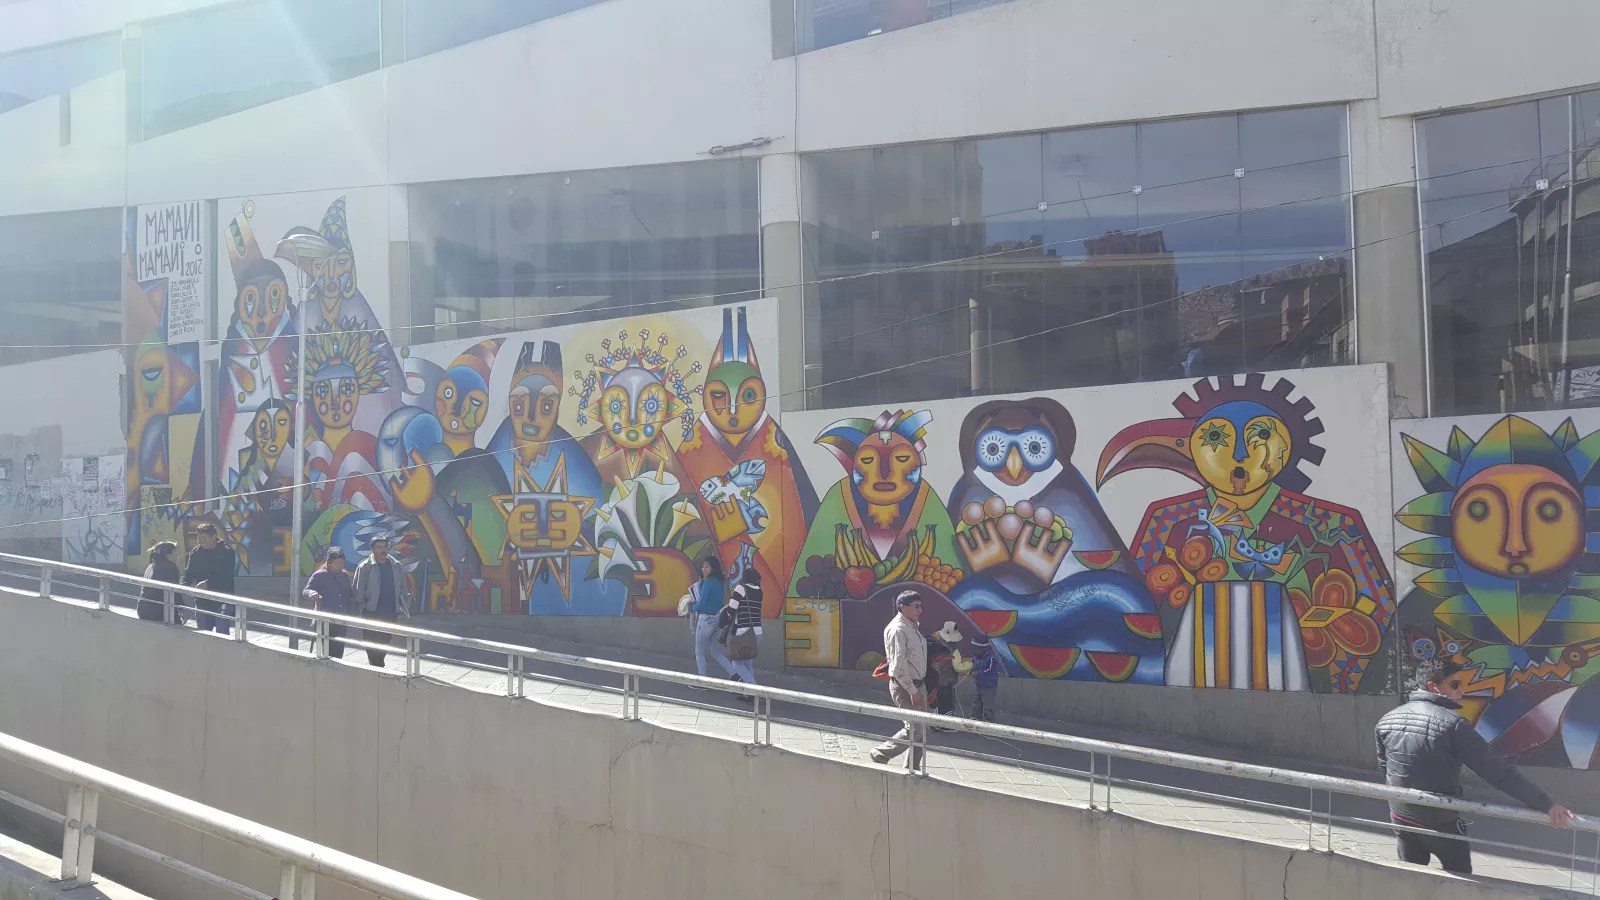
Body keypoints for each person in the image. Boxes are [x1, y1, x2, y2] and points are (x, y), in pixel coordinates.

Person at [1376, 657, 1575, 874]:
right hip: (1440, 821)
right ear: (1433, 686)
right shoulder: (1453, 724)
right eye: (1455, 684)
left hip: (1400, 817)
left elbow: (1385, 769)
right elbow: (1497, 772)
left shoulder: (1387, 719)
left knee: (1410, 878)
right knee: (1461, 880)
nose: (1462, 690)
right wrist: (1546, 803)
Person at [871, 590, 929, 767]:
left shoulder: (912, 625)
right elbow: (897, 667)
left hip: (919, 685)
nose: (920, 610)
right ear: (903, 607)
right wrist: (912, 691)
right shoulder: (898, 630)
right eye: (916, 606)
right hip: (905, 687)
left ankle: (913, 767)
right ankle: (881, 752)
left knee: (923, 729)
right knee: (915, 729)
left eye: (921, 606)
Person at [352, 536, 412, 668]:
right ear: (372, 549)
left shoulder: (396, 565)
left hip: (390, 612)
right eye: (379, 547)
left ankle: (378, 665)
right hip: (371, 612)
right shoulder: (365, 567)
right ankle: (377, 666)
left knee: (384, 642)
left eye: (385, 547)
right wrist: (363, 607)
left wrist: (404, 606)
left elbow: (403, 587)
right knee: (370, 642)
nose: (383, 550)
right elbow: (358, 590)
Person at [182, 523, 237, 635]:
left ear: (214, 537)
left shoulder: (226, 551)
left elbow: (227, 575)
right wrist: (182, 584)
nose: (202, 541)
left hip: (222, 599)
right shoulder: (195, 553)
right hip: (202, 601)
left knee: (221, 635)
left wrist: (208, 584)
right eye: (199, 538)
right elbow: (189, 572)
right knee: (203, 635)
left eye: (204, 538)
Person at [303, 547, 356, 659]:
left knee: (338, 651)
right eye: (337, 564)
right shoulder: (319, 575)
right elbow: (306, 590)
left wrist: (352, 610)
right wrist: (312, 594)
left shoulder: (344, 576)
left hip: (340, 619)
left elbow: (348, 595)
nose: (340, 567)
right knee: (325, 652)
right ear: (329, 563)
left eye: (342, 564)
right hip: (324, 619)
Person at [721, 566, 763, 698]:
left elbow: (731, 610)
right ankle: (747, 694)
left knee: (737, 663)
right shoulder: (759, 591)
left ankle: (753, 688)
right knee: (748, 663)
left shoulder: (741, 588)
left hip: (743, 631)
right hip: (757, 631)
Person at [691, 555, 733, 681]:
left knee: (699, 652)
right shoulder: (721, 581)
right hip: (718, 619)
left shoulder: (708, 582)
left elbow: (702, 602)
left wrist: (692, 608)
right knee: (717, 653)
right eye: (703, 567)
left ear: (713, 568)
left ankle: (702, 681)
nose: (703, 569)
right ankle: (735, 675)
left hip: (705, 619)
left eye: (707, 567)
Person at [139, 542, 181, 623]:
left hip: (143, 608)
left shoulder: (151, 566)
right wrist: (183, 609)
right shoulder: (170, 568)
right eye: (175, 552)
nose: (177, 554)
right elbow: (175, 591)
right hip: (158, 611)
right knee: (178, 626)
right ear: (167, 555)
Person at [968, 636, 1002, 722]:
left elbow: (990, 671)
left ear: (983, 649)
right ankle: (976, 717)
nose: (974, 651)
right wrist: (972, 670)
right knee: (976, 701)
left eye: (976, 649)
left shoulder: (991, 658)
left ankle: (988, 720)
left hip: (989, 686)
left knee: (988, 704)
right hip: (979, 684)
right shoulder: (975, 656)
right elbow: (974, 665)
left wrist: (979, 673)